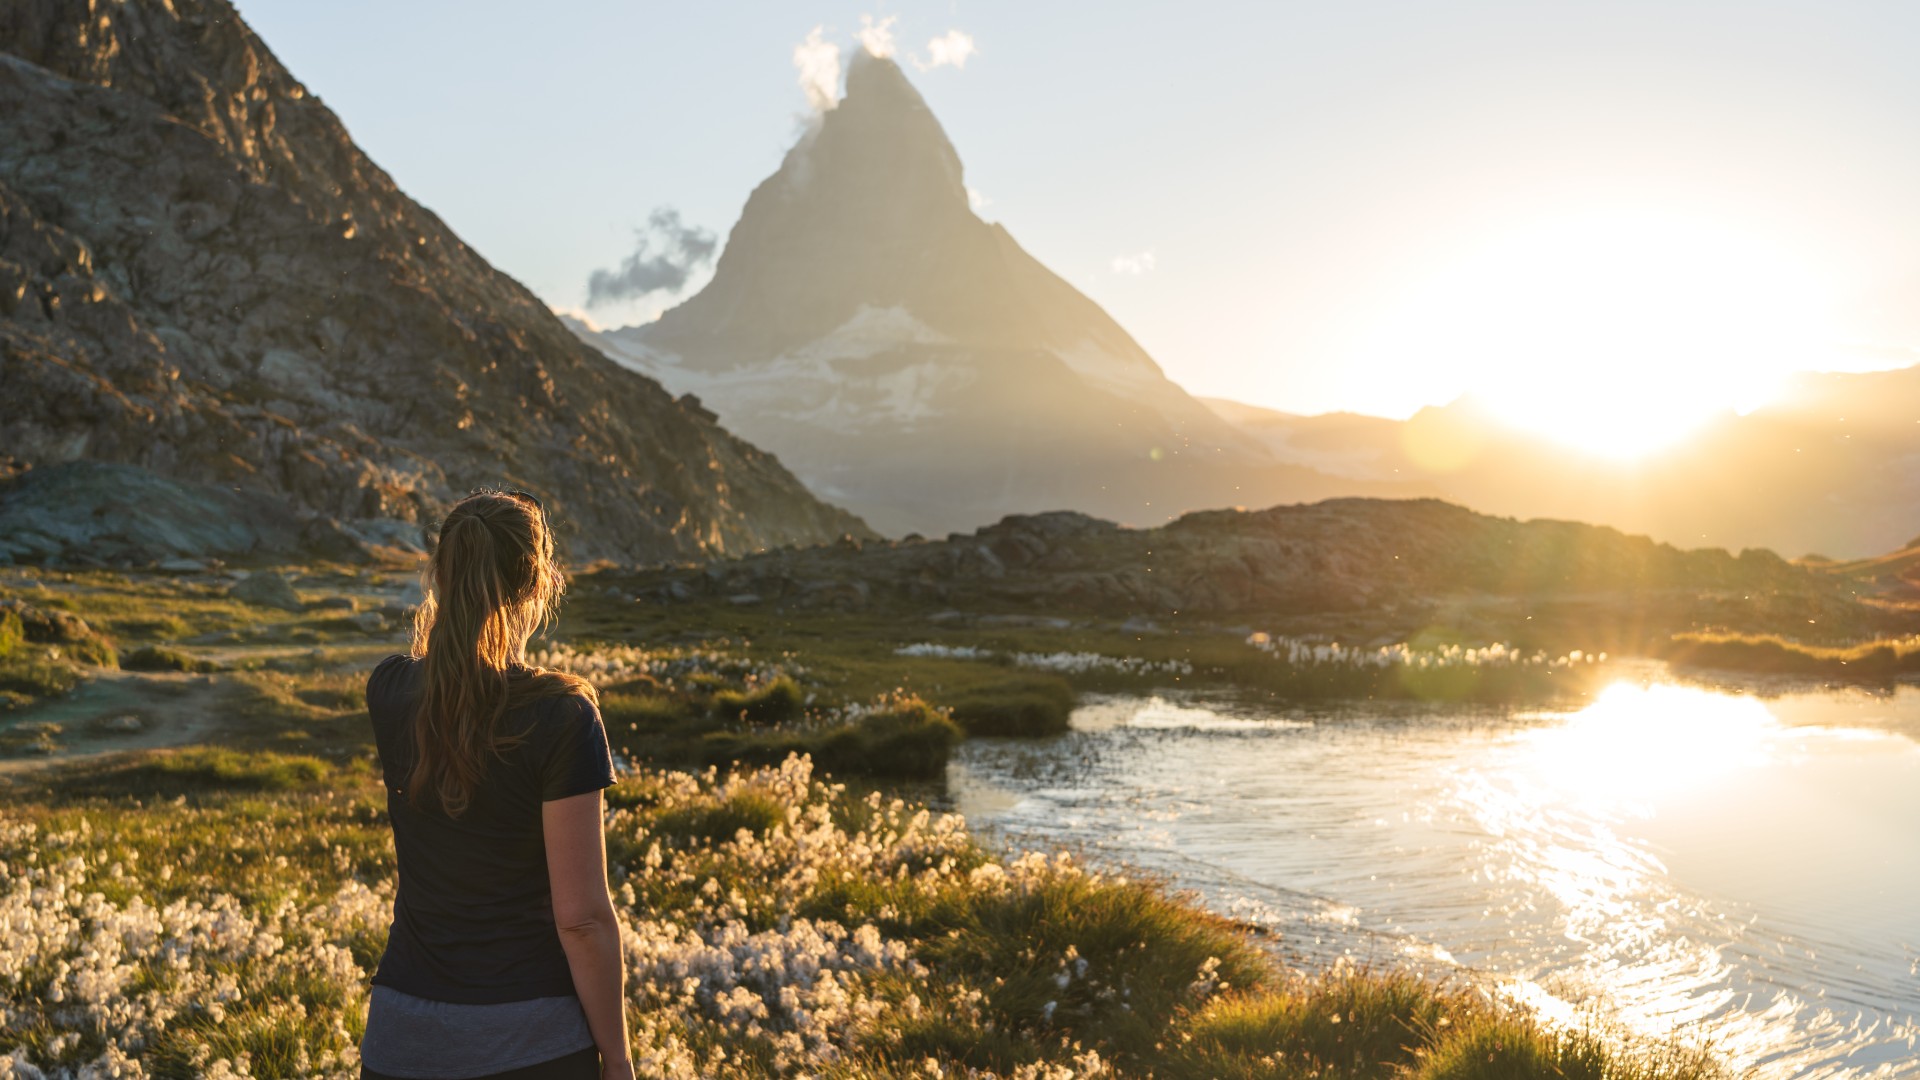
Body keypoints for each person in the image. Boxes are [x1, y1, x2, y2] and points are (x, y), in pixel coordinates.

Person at [360, 490, 634, 1080]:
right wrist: (617, 1059)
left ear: (439, 576)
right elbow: (582, 919)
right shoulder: (562, 716)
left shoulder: (388, 691)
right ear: (537, 587)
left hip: (399, 1037)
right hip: (532, 1043)